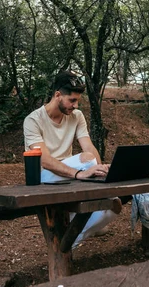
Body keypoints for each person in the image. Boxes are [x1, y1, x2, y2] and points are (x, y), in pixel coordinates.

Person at [23, 71, 121, 246]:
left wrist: (101, 170)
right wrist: (78, 174)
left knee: (113, 206)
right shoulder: (33, 120)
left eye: (77, 101)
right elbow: (43, 160)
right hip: (44, 176)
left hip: (68, 175)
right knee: (88, 160)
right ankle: (80, 229)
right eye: (72, 100)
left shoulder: (77, 116)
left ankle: (69, 243)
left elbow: (88, 146)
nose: (75, 105)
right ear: (58, 95)